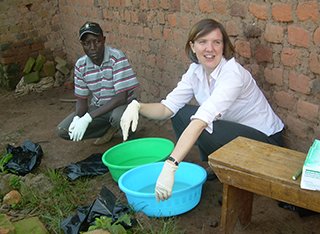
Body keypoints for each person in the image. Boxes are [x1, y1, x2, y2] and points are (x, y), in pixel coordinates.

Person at [120, 18, 284, 202]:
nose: (210, 48)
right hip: (235, 131)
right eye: (202, 42)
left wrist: (170, 166)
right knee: (180, 113)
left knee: (201, 126)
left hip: (266, 141)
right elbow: (167, 108)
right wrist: (137, 106)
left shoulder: (232, 75)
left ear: (223, 46)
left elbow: (201, 121)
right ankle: (219, 164)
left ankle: (240, 175)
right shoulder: (195, 71)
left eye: (216, 42)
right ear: (192, 46)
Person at [57, 21, 139, 144]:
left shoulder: (116, 57)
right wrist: (78, 118)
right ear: (82, 45)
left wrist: (89, 117)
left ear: (104, 40)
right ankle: (108, 129)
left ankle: (129, 137)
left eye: (97, 41)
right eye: (87, 43)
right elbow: (81, 100)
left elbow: (121, 98)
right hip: (99, 107)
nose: (93, 47)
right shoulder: (81, 65)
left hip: (122, 106)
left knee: (118, 117)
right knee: (64, 130)